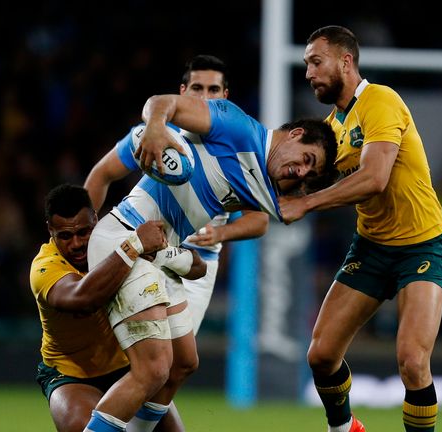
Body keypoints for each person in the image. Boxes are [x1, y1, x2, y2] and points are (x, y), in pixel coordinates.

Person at [83, 95, 337, 432]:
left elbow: (279, 215)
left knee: (182, 364)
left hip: (158, 255)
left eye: (309, 171)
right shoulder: (235, 126)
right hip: (126, 236)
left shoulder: (263, 181)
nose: (301, 171)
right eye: (306, 158)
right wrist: (157, 127)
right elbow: (160, 102)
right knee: (154, 369)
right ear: (294, 133)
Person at [279, 25, 442, 432]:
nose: (309, 72)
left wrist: (305, 203)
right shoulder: (331, 129)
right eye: (306, 64)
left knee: (412, 360)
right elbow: (297, 178)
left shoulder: (380, 101)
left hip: (422, 246)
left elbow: (374, 177)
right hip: (372, 247)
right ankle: (344, 429)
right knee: (320, 355)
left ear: (346, 61)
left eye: (316, 61)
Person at [31, 184, 205, 432]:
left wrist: (162, 255)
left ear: (95, 218)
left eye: (84, 231)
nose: (77, 243)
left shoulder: (117, 238)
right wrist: (132, 248)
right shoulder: (45, 267)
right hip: (72, 374)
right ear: (51, 230)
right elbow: (84, 298)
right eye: (65, 236)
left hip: (130, 369)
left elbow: (199, 268)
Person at [176, 54, 269, 335]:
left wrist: (219, 234)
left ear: (225, 95)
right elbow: (104, 174)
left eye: (213, 90)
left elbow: (260, 221)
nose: (205, 97)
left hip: (201, 263)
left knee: (179, 365)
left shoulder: (238, 150)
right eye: (197, 88)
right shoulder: (159, 133)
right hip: (153, 254)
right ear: (183, 92)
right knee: (148, 359)